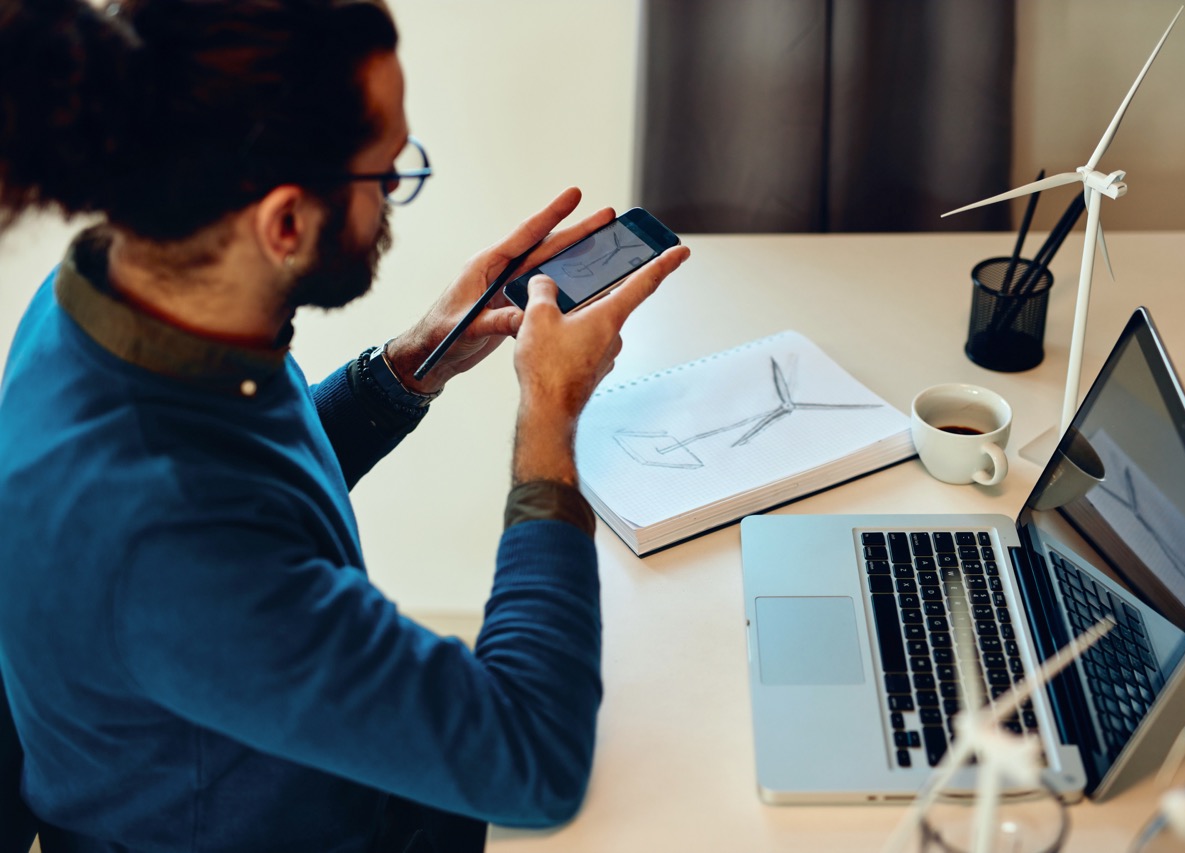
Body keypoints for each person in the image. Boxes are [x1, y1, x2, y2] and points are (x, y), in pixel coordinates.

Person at [0, 1, 690, 851]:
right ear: (286, 221)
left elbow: (244, 489)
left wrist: (408, 364)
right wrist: (552, 415)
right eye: (385, 172)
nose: (397, 192)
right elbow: (533, 763)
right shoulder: (167, 540)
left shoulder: (101, 301)